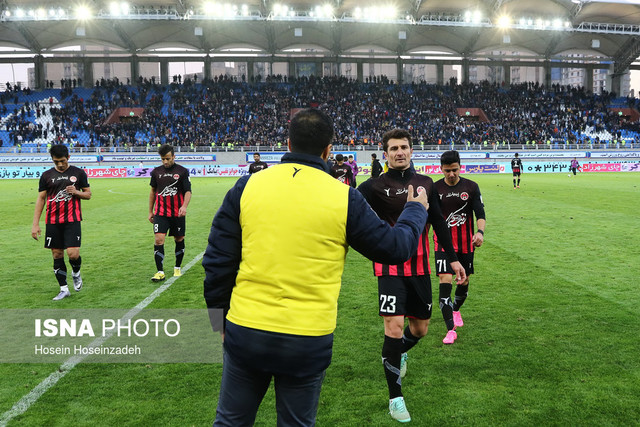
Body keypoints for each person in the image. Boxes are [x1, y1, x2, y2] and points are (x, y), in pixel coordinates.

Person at [202, 108, 430, 427]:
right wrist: (415, 210)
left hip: (246, 329)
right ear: (328, 150)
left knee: (230, 422)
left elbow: (217, 262)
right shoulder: (343, 197)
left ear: (288, 142)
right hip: (307, 337)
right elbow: (395, 249)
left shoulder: (247, 186)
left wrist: (218, 321)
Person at [357, 129, 466, 423]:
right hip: (388, 268)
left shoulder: (426, 184)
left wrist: (453, 259)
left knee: (419, 331)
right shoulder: (372, 187)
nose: (399, 152)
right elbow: (352, 215)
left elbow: (439, 222)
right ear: (386, 153)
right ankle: (395, 398)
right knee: (392, 328)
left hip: (419, 268)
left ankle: (399, 353)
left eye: (404, 147)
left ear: (412, 151)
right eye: (393, 148)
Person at [433, 150, 485, 345]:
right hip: (442, 245)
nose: (451, 174)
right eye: (447, 171)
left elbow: (480, 213)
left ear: (459, 167)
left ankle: (455, 310)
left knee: (463, 282)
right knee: (445, 282)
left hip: (465, 245)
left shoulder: (471, 187)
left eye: (454, 170)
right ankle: (450, 330)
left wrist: (479, 233)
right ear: (442, 169)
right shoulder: (435, 188)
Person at [31, 144, 92, 301]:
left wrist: (76, 192)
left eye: (62, 161)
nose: (59, 164)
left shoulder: (78, 173)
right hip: (52, 221)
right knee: (57, 254)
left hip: (72, 220)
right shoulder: (46, 176)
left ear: (69, 158)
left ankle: (76, 273)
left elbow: (88, 194)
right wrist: (35, 224)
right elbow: (41, 199)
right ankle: (64, 289)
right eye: (56, 161)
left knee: (73, 254)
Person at [148, 144, 192, 282]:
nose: (165, 162)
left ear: (174, 156)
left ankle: (177, 267)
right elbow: (153, 192)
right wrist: (150, 211)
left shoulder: (183, 171)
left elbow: (188, 191)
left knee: (178, 239)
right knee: (158, 239)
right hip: (161, 213)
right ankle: (160, 271)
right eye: (163, 159)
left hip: (177, 214)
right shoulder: (156, 172)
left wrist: (184, 206)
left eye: (168, 158)